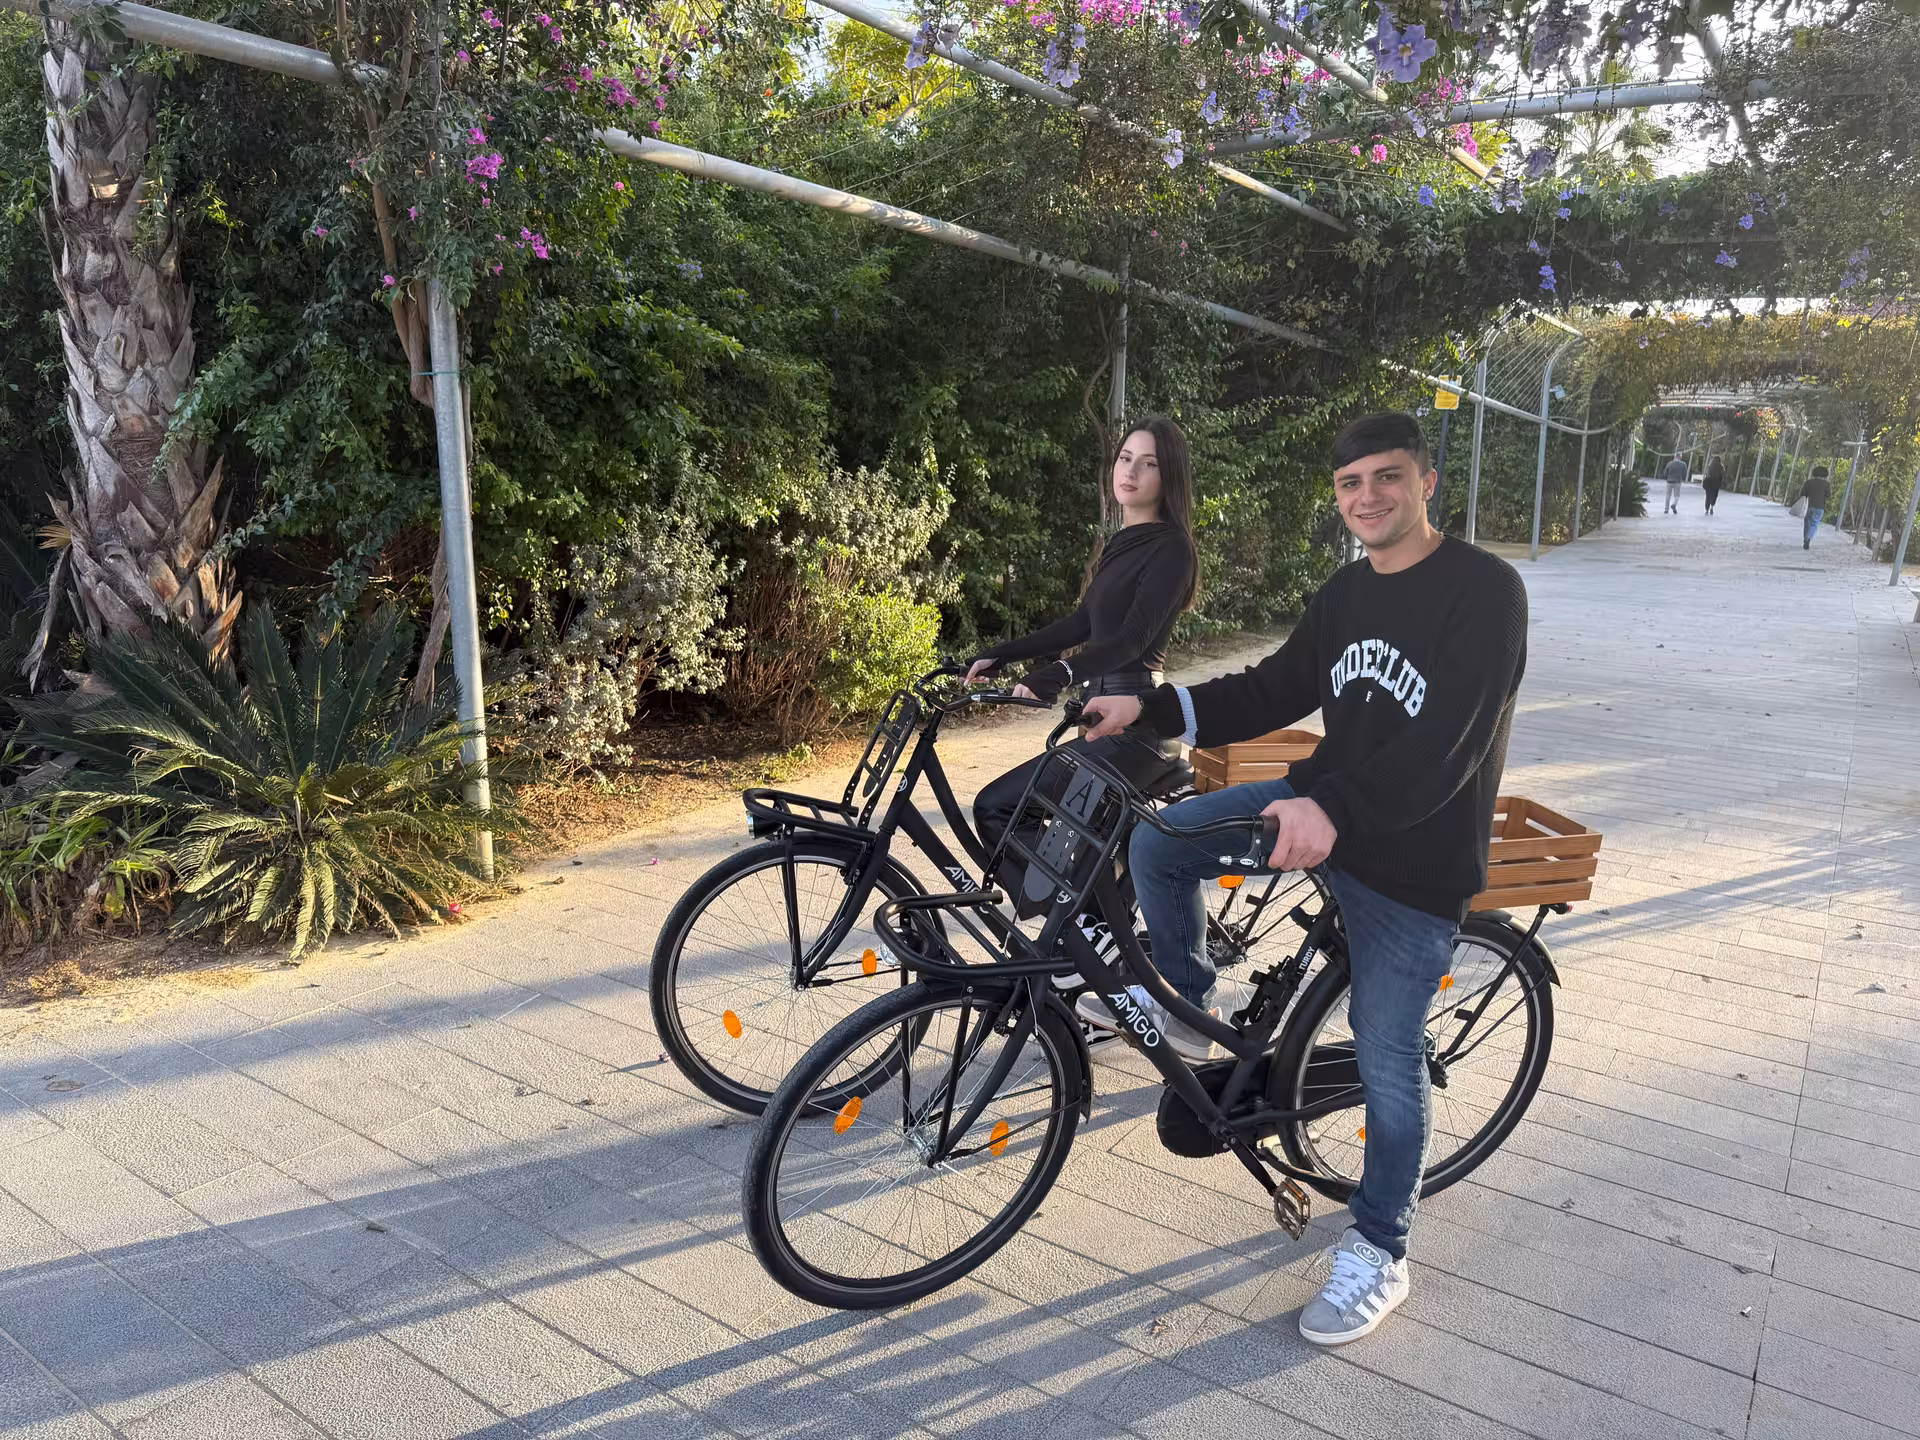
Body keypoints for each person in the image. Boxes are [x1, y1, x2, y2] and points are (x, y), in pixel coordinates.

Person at [1078, 412, 1527, 1349]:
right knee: (1161, 844)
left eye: (1387, 477)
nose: (1368, 496)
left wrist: (1334, 810)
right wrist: (1150, 706)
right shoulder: (1345, 594)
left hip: (1414, 863)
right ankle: (1187, 998)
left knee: (1388, 1058)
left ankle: (1382, 1248)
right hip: (1318, 809)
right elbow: (1273, 687)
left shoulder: (1485, 591)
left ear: (1426, 482)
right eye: (1350, 483)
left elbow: (1450, 744)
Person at [967, 415, 1199, 862]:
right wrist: (1002, 654)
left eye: (1148, 463)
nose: (1131, 471)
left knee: (997, 808)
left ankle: (1059, 913)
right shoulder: (1122, 542)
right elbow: (1080, 624)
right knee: (1080, 858)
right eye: (1125, 458)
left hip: (1138, 726)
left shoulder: (1173, 549)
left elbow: (1131, 641)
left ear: (1169, 474)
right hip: (1099, 716)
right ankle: (1077, 908)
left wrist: (1058, 673)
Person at [1797, 465, 1832, 550]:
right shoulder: (1826, 484)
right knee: (1814, 523)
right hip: (1820, 507)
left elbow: (1802, 494)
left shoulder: (1809, 482)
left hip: (1809, 506)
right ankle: (1808, 538)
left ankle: (1805, 538)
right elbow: (1828, 495)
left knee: (1807, 523)